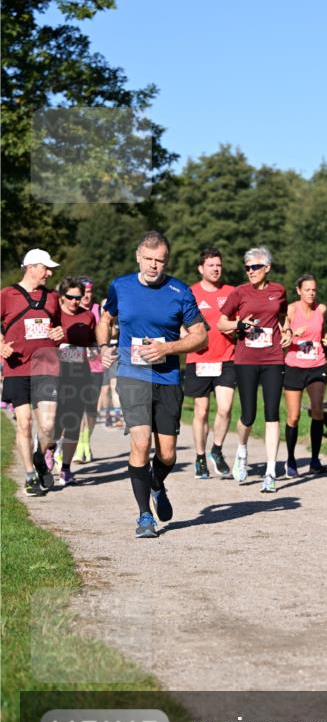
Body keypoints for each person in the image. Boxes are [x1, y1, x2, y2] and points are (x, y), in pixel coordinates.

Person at [98, 230, 206, 538]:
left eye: (160, 260)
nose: (154, 265)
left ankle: (157, 484)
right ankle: (145, 515)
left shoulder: (179, 291)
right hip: (133, 374)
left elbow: (201, 336)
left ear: (166, 261)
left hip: (168, 377)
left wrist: (167, 349)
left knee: (168, 454)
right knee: (141, 443)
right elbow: (105, 320)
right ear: (138, 257)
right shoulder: (121, 286)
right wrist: (104, 347)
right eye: (148, 259)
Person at [217, 247, 291, 493]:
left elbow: (282, 316)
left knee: (272, 412)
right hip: (246, 358)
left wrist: (288, 332)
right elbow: (220, 322)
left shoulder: (279, 290)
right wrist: (238, 323)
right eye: (247, 267)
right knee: (248, 414)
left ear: (267, 267)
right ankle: (242, 450)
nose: (250, 271)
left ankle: (270, 471)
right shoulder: (240, 292)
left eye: (255, 267)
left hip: (273, 358)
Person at [0, 249, 64, 495]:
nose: (49, 273)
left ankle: (40, 457)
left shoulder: (52, 298)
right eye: (45, 268)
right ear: (31, 267)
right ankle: (29, 476)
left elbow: (57, 328)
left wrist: (59, 334)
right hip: (17, 368)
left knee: (48, 427)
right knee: (24, 424)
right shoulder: (7, 295)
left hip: (46, 366)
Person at [184, 248, 236, 479]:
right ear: (201, 269)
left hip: (227, 357)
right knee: (201, 411)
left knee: (225, 409)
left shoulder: (231, 292)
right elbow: (180, 323)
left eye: (218, 265)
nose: (216, 269)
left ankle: (216, 450)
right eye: (211, 265)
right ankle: (200, 457)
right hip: (199, 358)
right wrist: (187, 339)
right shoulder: (190, 293)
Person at [283, 274, 327, 477]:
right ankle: (290, 459)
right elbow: (284, 335)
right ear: (299, 290)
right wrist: (293, 333)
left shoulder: (321, 309)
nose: (311, 293)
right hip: (295, 366)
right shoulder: (291, 309)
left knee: (317, 410)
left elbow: (321, 332)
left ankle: (315, 459)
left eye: (314, 290)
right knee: (293, 416)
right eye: (307, 290)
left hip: (317, 364)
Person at [54, 277, 97, 486]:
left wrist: (98, 351)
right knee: (54, 421)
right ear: (62, 297)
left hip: (80, 374)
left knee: (73, 421)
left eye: (78, 297)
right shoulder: (54, 315)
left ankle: (65, 468)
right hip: (55, 374)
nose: (74, 301)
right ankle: (47, 452)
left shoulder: (88, 316)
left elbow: (92, 344)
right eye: (70, 297)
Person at [72, 276, 104, 464]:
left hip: (95, 364)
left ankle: (85, 441)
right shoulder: (70, 310)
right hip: (74, 365)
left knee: (91, 408)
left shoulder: (98, 309)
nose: (86, 295)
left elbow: (109, 333)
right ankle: (76, 445)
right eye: (84, 291)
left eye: (90, 291)